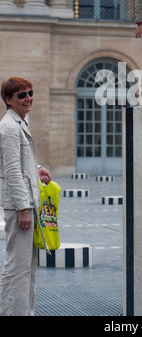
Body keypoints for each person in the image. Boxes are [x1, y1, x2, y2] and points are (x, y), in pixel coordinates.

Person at [0, 77, 52, 316]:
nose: (28, 98)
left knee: (27, 267)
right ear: (8, 100)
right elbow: (10, 170)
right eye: (22, 95)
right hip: (19, 206)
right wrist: (22, 208)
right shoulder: (9, 127)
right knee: (17, 268)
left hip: (27, 203)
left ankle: (25, 311)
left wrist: (37, 167)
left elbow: (20, 164)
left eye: (30, 92)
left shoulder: (20, 122)